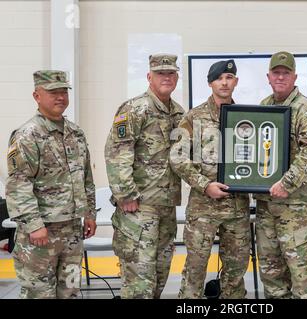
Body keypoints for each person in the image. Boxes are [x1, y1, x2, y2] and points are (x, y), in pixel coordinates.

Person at [6, 70, 97, 299]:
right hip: (41, 233)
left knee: (71, 290)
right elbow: (19, 184)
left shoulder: (75, 133)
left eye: (63, 92)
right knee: (39, 293)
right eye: (53, 92)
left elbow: (86, 177)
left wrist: (89, 213)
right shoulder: (27, 134)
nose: (60, 97)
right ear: (37, 95)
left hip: (72, 231)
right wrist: (34, 224)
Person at [104, 53, 185, 299]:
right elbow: (117, 153)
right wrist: (125, 194)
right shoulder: (134, 109)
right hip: (139, 208)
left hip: (166, 206)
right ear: (149, 76)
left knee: (159, 275)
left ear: (177, 77)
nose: (166, 78)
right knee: (139, 280)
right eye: (161, 73)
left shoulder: (178, 113)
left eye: (171, 73)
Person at [170, 60, 250, 299]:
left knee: (235, 271)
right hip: (203, 208)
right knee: (195, 269)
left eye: (229, 77)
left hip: (237, 207)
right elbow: (177, 159)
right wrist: (205, 185)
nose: (224, 82)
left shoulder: (247, 118)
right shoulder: (194, 117)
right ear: (210, 83)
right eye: (219, 78)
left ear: (235, 81)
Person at [254, 51, 307, 299]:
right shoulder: (263, 107)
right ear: (269, 77)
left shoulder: (306, 110)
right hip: (266, 205)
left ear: (295, 76)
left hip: (297, 207)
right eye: (276, 72)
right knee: (271, 273)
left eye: (286, 73)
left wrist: (287, 183)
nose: (281, 77)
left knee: (302, 275)